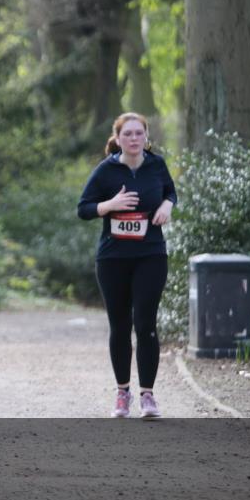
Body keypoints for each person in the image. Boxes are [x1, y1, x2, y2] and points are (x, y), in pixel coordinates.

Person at [77, 112, 176, 418]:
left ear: (146, 137)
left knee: (145, 325)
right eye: (128, 134)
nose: (134, 139)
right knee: (120, 326)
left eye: (139, 133)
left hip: (150, 255)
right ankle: (123, 393)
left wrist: (167, 205)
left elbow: (170, 191)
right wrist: (110, 205)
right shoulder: (106, 171)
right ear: (118, 139)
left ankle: (148, 396)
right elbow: (83, 208)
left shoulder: (157, 165)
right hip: (113, 259)